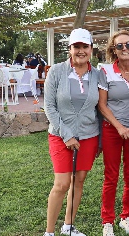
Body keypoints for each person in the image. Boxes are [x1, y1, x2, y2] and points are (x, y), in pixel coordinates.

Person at [43, 28, 100, 236]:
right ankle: (49, 232)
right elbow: (49, 107)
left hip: (89, 135)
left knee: (79, 180)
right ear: (70, 49)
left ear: (91, 49)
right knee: (62, 183)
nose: (81, 51)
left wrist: (100, 140)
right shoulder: (57, 71)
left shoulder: (97, 74)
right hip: (60, 135)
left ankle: (68, 226)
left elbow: (100, 108)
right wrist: (66, 135)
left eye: (85, 46)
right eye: (77, 47)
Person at [98, 30, 129, 236]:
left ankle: (126, 216)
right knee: (111, 176)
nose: (124, 49)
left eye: (128, 45)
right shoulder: (105, 71)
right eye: (119, 46)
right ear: (113, 50)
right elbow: (102, 105)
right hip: (112, 130)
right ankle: (107, 220)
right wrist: (119, 126)